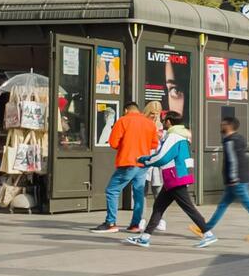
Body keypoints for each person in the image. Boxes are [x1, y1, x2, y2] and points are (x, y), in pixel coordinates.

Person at [125, 111, 215, 249]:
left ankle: (208, 233)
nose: (164, 122)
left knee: (188, 207)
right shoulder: (183, 136)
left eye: (165, 120)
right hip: (176, 176)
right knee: (158, 207)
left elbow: (163, 157)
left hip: (174, 177)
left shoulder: (173, 136)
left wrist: (145, 160)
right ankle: (145, 237)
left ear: (169, 122)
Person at [90, 102, 159, 234]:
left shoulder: (123, 121)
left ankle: (111, 223)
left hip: (128, 161)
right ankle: (135, 224)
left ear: (126, 110)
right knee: (138, 194)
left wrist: (126, 144)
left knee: (112, 190)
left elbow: (113, 142)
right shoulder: (149, 123)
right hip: (143, 163)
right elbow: (154, 144)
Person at [206, 116, 249, 242]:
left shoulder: (230, 141)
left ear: (228, 126)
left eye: (223, 124)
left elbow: (233, 160)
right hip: (237, 179)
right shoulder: (238, 139)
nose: (221, 126)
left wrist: (233, 178)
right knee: (222, 205)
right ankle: (205, 228)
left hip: (236, 180)